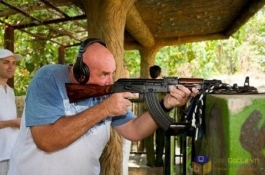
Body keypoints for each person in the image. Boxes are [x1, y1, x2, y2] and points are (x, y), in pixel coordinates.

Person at [8, 38, 198, 175]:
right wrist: (104, 109)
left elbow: (134, 130)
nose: (110, 81)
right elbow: (46, 141)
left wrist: (165, 104)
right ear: (81, 71)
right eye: (104, 74)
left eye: (112, 73)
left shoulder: (104, 92)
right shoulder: (49, 78)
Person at [0, 49, 22, 175]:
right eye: (6, 62)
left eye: (14, 63)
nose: (11, 67)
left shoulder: (11, 91)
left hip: (13, 153)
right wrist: (12, 123)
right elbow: (11, 122)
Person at [145, 65, 165, 167]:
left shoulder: (146, 84)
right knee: (160, 140)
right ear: (160, 73)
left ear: (150, 73)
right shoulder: (163, 85)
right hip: (161, 115)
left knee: (148, 140)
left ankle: (151, 161)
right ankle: (158, 161)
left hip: (147, 115)